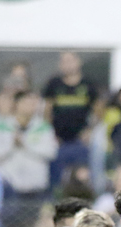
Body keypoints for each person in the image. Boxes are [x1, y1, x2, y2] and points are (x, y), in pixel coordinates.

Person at [43, 52, 96, 187]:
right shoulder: (54, 84)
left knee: (81, 178)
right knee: (57, 179)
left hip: (81, 141)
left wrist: (89, 130)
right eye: (64, 61)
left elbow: (98, 110)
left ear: (78, 62)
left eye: (70, 61)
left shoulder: (88, 84)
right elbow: (47, 110)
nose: (67, 65)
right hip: (59, 141)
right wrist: (51, 134)